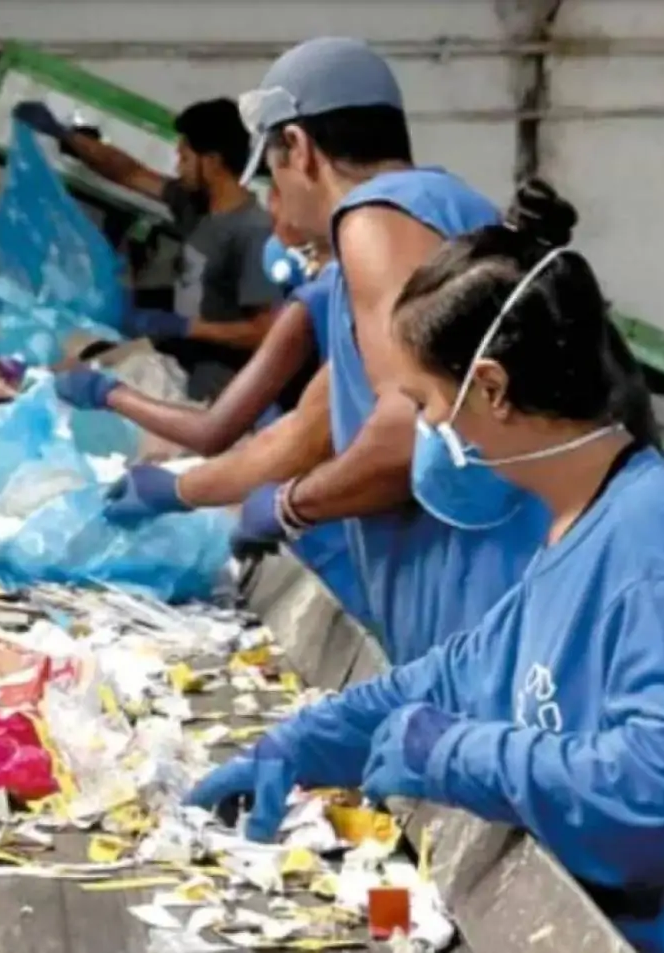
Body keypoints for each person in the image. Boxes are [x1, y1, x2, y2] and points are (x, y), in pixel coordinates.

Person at [188, 181, 664, 953]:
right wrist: (300, 744)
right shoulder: (577, 525)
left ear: (489, 387)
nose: (423, 430)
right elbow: (458, 674)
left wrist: (455, 752)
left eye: (425, 404)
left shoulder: (657, 540)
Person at [100, 38, 555, 663]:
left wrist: (289, 506)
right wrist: (181, 491)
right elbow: (308, 431)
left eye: (276, 171)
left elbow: (408, 437)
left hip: (483, 602)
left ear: (301, 149)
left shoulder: (374, 218)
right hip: (482, 600)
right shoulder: (443, 216)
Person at [54, 183, 372, 625]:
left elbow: (221, 432)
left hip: (339, 532)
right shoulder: (350, 287)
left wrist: (110, 395)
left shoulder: (326, 296)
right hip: (320, 514)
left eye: (276, 195)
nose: (270, 211)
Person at [13, 97, 283, 401]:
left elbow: (267, 331)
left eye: (184, 157)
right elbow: (128, 172)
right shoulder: (195, 207)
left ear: (212, 161)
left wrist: (189, 327)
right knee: (68, 361)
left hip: (215, 385)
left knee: (90, 391)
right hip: (178, 355)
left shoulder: (252, 232)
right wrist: (64, 135)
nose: (178, 167)